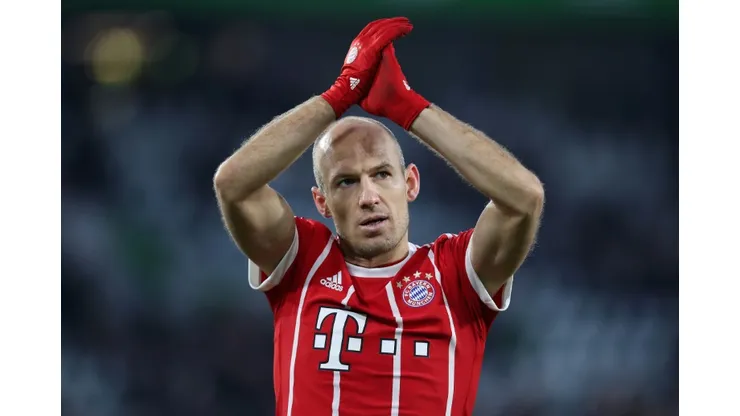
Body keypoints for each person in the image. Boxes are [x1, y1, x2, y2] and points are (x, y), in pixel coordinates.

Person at [214, 17, 544, 416]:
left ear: (411, 183)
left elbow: (524, 198)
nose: (369, 197)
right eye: (346, 182)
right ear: (322, 202)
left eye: (382, 174)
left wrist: (410, 108)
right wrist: (338, 96)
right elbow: (233, 184)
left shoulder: (455, 275)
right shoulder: (302, 261)